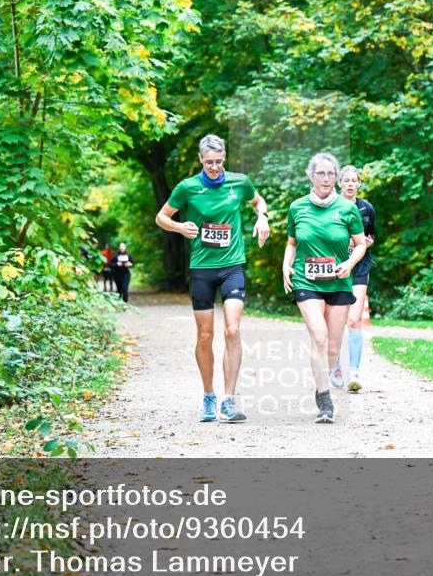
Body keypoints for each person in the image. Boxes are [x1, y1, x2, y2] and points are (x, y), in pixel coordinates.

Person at [155, 134, 270, 423]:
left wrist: (263, 217)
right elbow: (161, 217)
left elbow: (258, 202)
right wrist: (180, 227)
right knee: (205, 335)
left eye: (219, 162)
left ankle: (229, 400)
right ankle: (209, 395)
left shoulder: (239, 182)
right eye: (209, 163)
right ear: (200, 159)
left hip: (233, 265)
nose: (215, 168)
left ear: (225, 159)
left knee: (232, 330)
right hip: (202, 268)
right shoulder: (188, 188)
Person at [282, 153, 367, 423]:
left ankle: (322, 386)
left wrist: (350, 264)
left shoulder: (347, 208)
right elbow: (292, 242)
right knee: (318, 335)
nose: (327, 179)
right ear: (311, 176)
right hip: (306, 281)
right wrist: (286, 266)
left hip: (339, 281)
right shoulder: (297, 207)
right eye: (321, 174)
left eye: (331, 174)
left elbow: (362, 243)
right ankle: (325, 399)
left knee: (332, 346)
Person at [330, 165, 376, 393]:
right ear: (340, 183)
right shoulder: (330, 205)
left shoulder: (367, 209)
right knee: (336, 322)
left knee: (354, 320)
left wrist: (367, 243)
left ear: (359, 183)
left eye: (353, 180)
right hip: (335, 269)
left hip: (359, 268)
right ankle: (336, 365)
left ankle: (354, 373)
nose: (349, 184)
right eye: (345, 180)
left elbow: (372, 234)